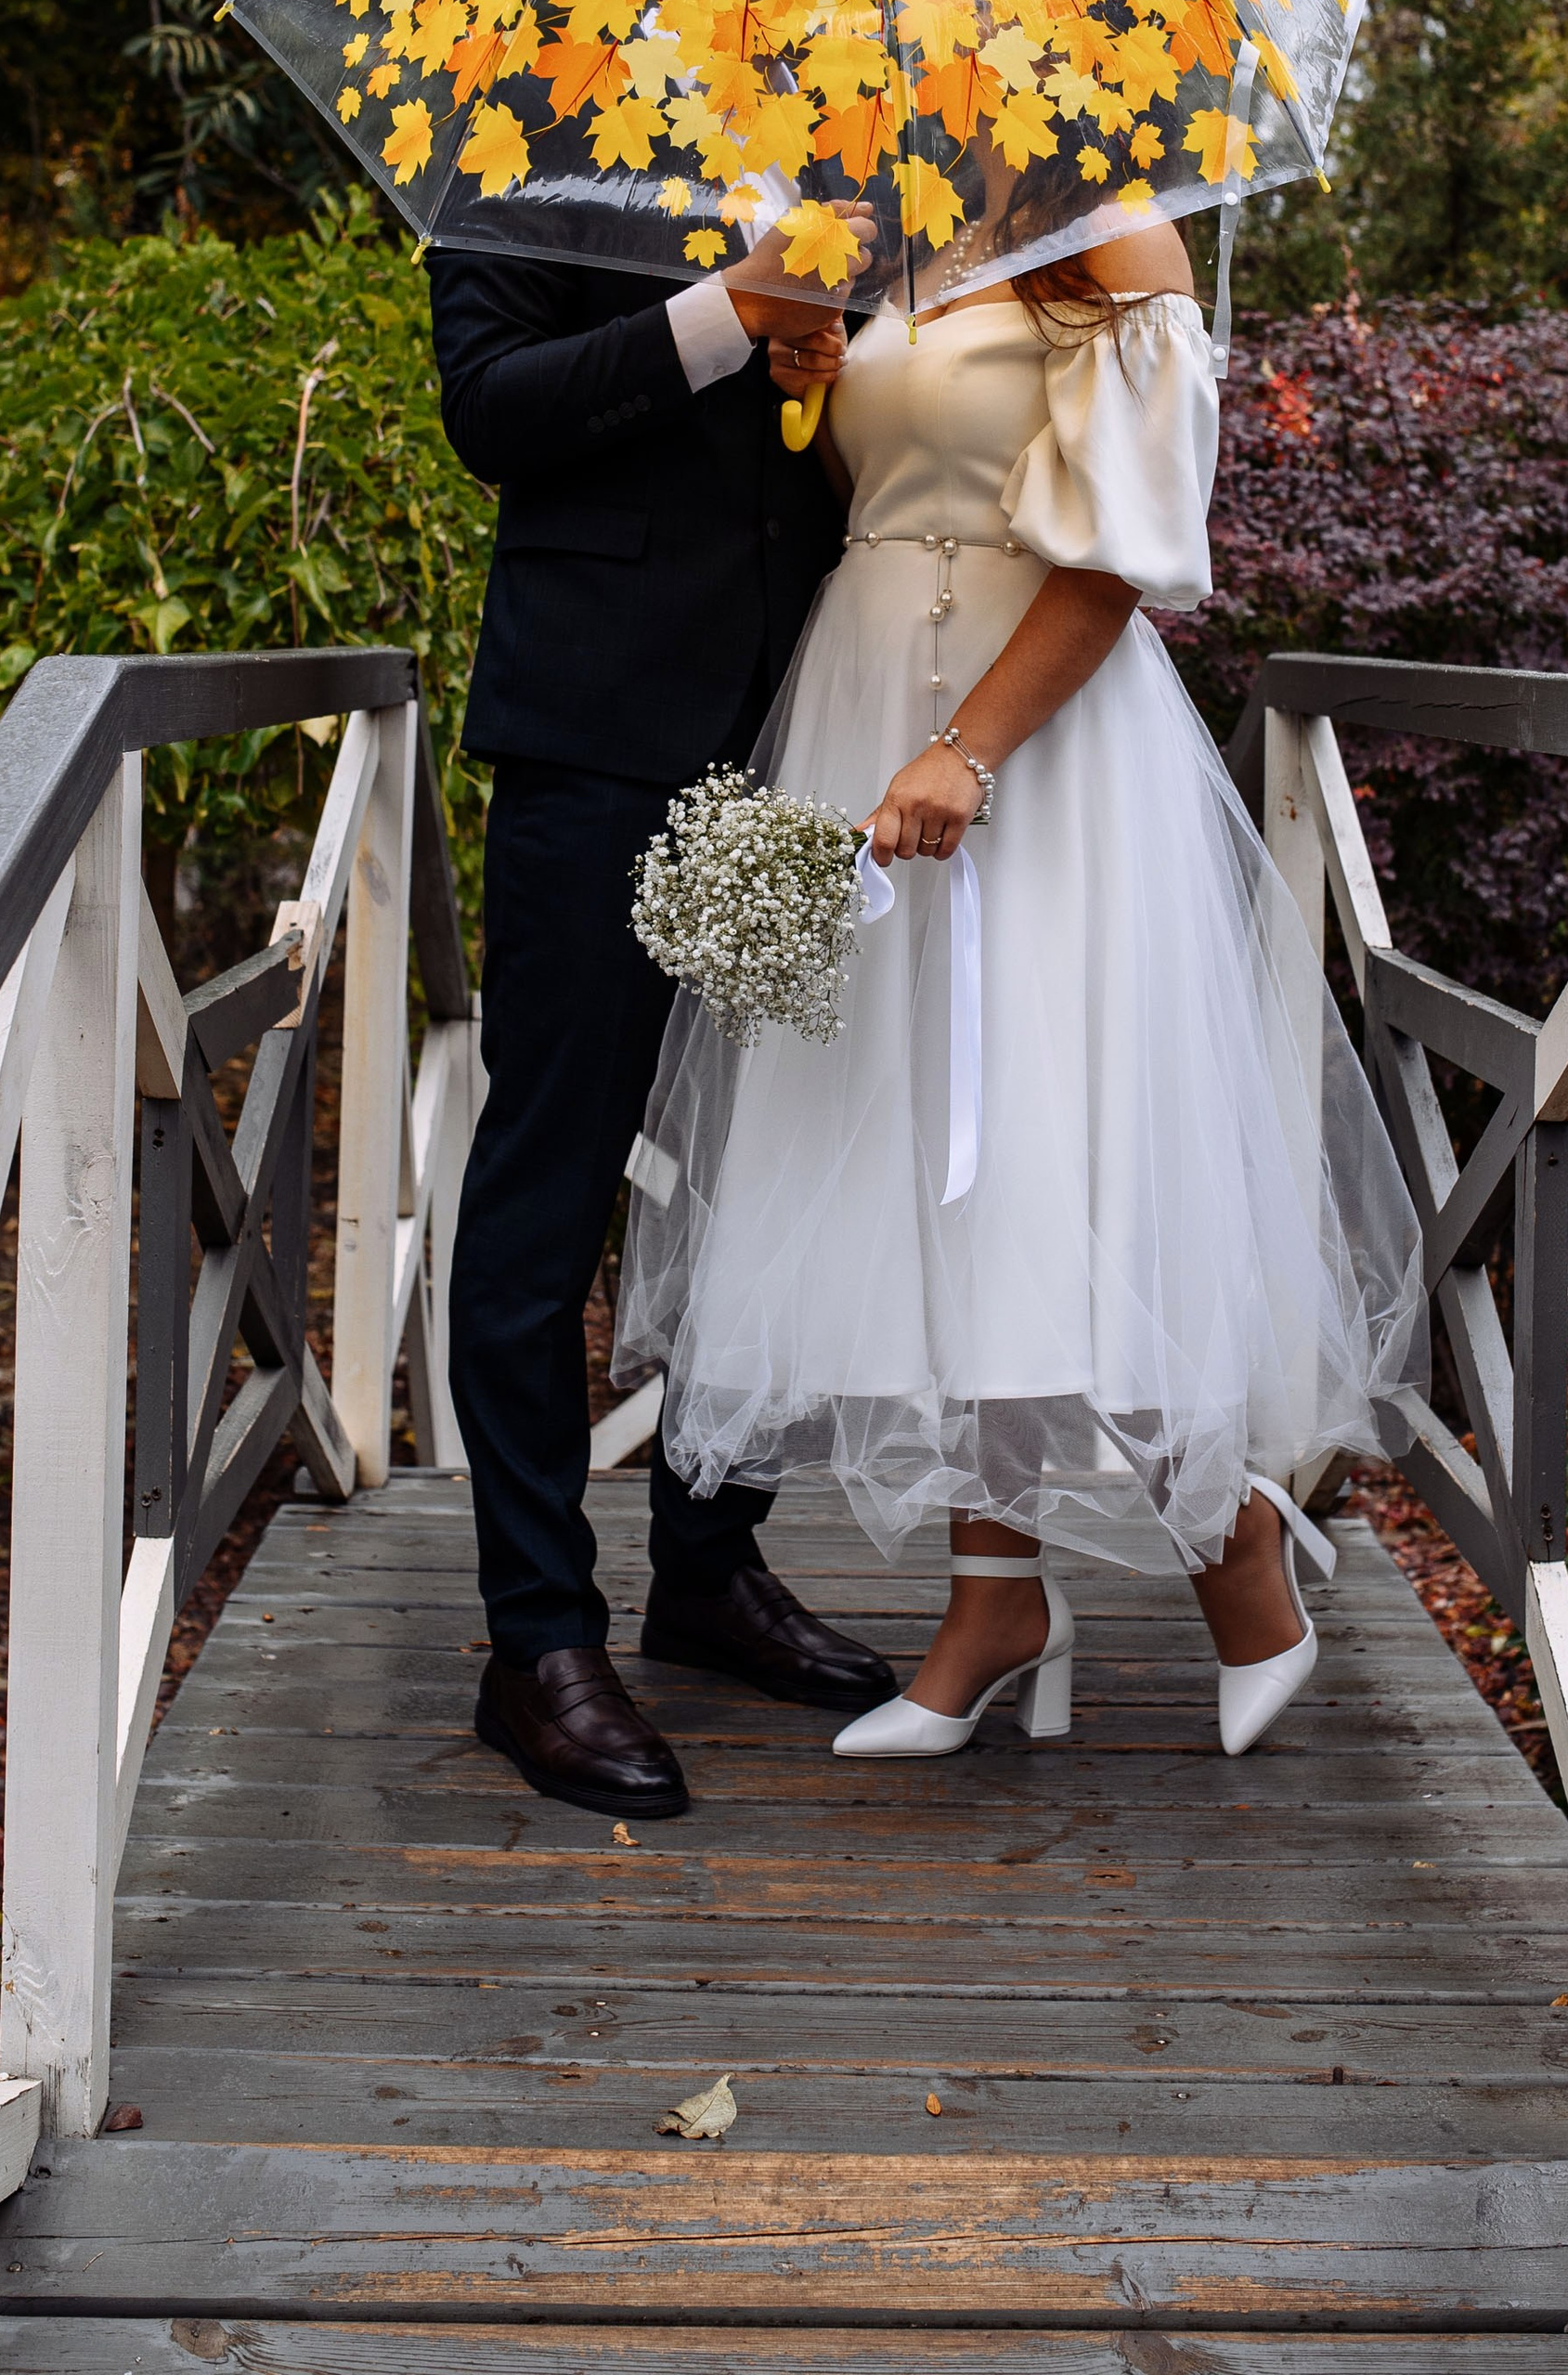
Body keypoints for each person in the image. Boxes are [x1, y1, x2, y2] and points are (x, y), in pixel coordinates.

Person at [616, 217, 1427, 1762]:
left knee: (1065, 1142)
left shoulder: (1119, 249)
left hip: (1042, 746)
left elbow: (1122, 554)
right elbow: (896, 493)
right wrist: (814, 375)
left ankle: (1235, 1553)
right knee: (927, 1160)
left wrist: (971, 749)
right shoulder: (887, 234)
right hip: (865, 697)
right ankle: (993, 1600)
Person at [427, 227, 897, 1823]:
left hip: (806, 727)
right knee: (550, 1179)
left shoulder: (856, 143)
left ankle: (708, 1565)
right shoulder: (531, 122)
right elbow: (491, 409)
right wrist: (722, 317)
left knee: (763, 1170)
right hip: (597, 731)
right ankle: (536, 1639)